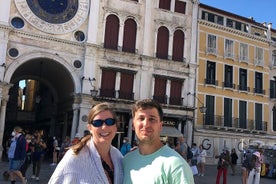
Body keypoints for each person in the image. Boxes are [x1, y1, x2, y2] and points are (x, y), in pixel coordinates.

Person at [48, 102, 123, 184]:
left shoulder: (119, 157)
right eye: (97, 123)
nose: (104, 127)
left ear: (116, 126)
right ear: (90, 128)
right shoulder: (74, 157)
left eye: (109, 121)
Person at [123, 99, 194, 184]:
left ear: (160, 126)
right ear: (133, 125)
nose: (146, 124)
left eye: (152, 119)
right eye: (141, 118)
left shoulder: (176, 165)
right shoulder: (126, 161)